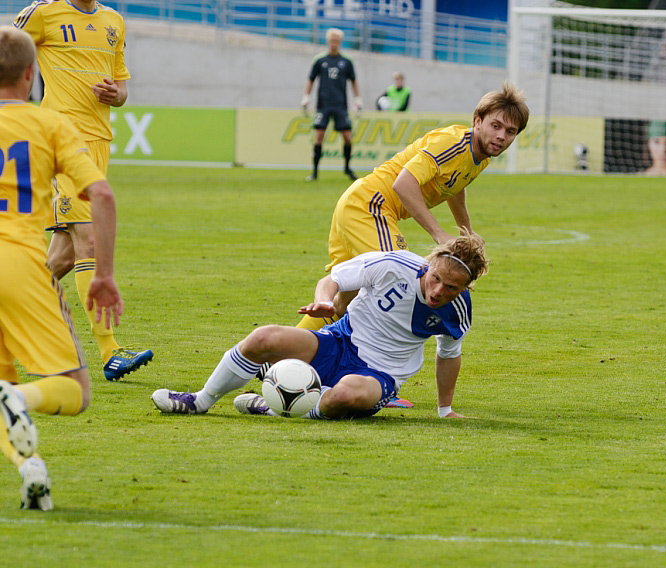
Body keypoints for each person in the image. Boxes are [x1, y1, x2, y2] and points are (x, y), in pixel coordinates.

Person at [293, 80, 528, 408]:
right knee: (400, 281)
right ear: (478, 121)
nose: (501, 136)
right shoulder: (454, 142)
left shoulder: (479, 156)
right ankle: (369, 375)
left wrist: (467, 232)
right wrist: (438, 235)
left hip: (359, 204)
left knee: (338, 302)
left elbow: (454, 186)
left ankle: (278, 368)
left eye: (511, 131)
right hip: (372, 204)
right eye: (495, 126)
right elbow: (403, 183)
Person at [151, 233, 489, 421]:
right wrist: (326, 301)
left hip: (380, 374)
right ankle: (200, 400)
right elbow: (334, 279)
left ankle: (272, 407)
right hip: (338, 341)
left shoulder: (458, 310)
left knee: (346, 394)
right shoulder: (392, 265)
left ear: (466, 288)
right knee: (263, 337)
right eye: (436, 279)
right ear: (428, 265)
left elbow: (449, 355)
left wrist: (445, 410)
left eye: (451, 288)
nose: (437, 292)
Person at [0, 26, 124, 510]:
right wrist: (104, 275)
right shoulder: (50, 124)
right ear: (32, 73)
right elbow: (104, 195)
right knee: (75, 390)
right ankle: (21, 404)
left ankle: (29, 468)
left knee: (3, 384)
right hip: (18, 263)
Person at [14, 0, 153, 381]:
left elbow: (122, 87)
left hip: (98, 142)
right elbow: (6, 59)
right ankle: (110, 351)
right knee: (89, 243)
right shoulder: (42, 13)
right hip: (59, 141)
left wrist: (116, 95)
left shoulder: (114, 21)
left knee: (62, 258)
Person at [302, 27, 362, 183]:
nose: (334, 43)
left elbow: (353, 81)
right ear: (327, 41)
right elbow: (311, 79)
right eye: (331, 41)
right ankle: (314, 172)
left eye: (337, 41)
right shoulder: (320, 60)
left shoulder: (347, 61)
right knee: (319, 135)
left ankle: (347, 168)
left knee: (348, 137)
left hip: (341, 105)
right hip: (323, 104)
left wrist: (358, 99)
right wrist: (306, 96)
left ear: (340, 42)